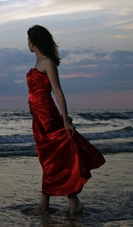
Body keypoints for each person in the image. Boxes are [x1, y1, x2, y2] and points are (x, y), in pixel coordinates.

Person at [25, 25, 105, 215]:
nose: (27, 43)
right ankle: (73, 202)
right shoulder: (38, 64)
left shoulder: (48, 63)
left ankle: (44, 205)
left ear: (34, 42)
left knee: (50, 161)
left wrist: (65, 119)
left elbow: (58, 91)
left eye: (28, 40)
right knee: (52, 160)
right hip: (39, 119)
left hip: (48, 118)